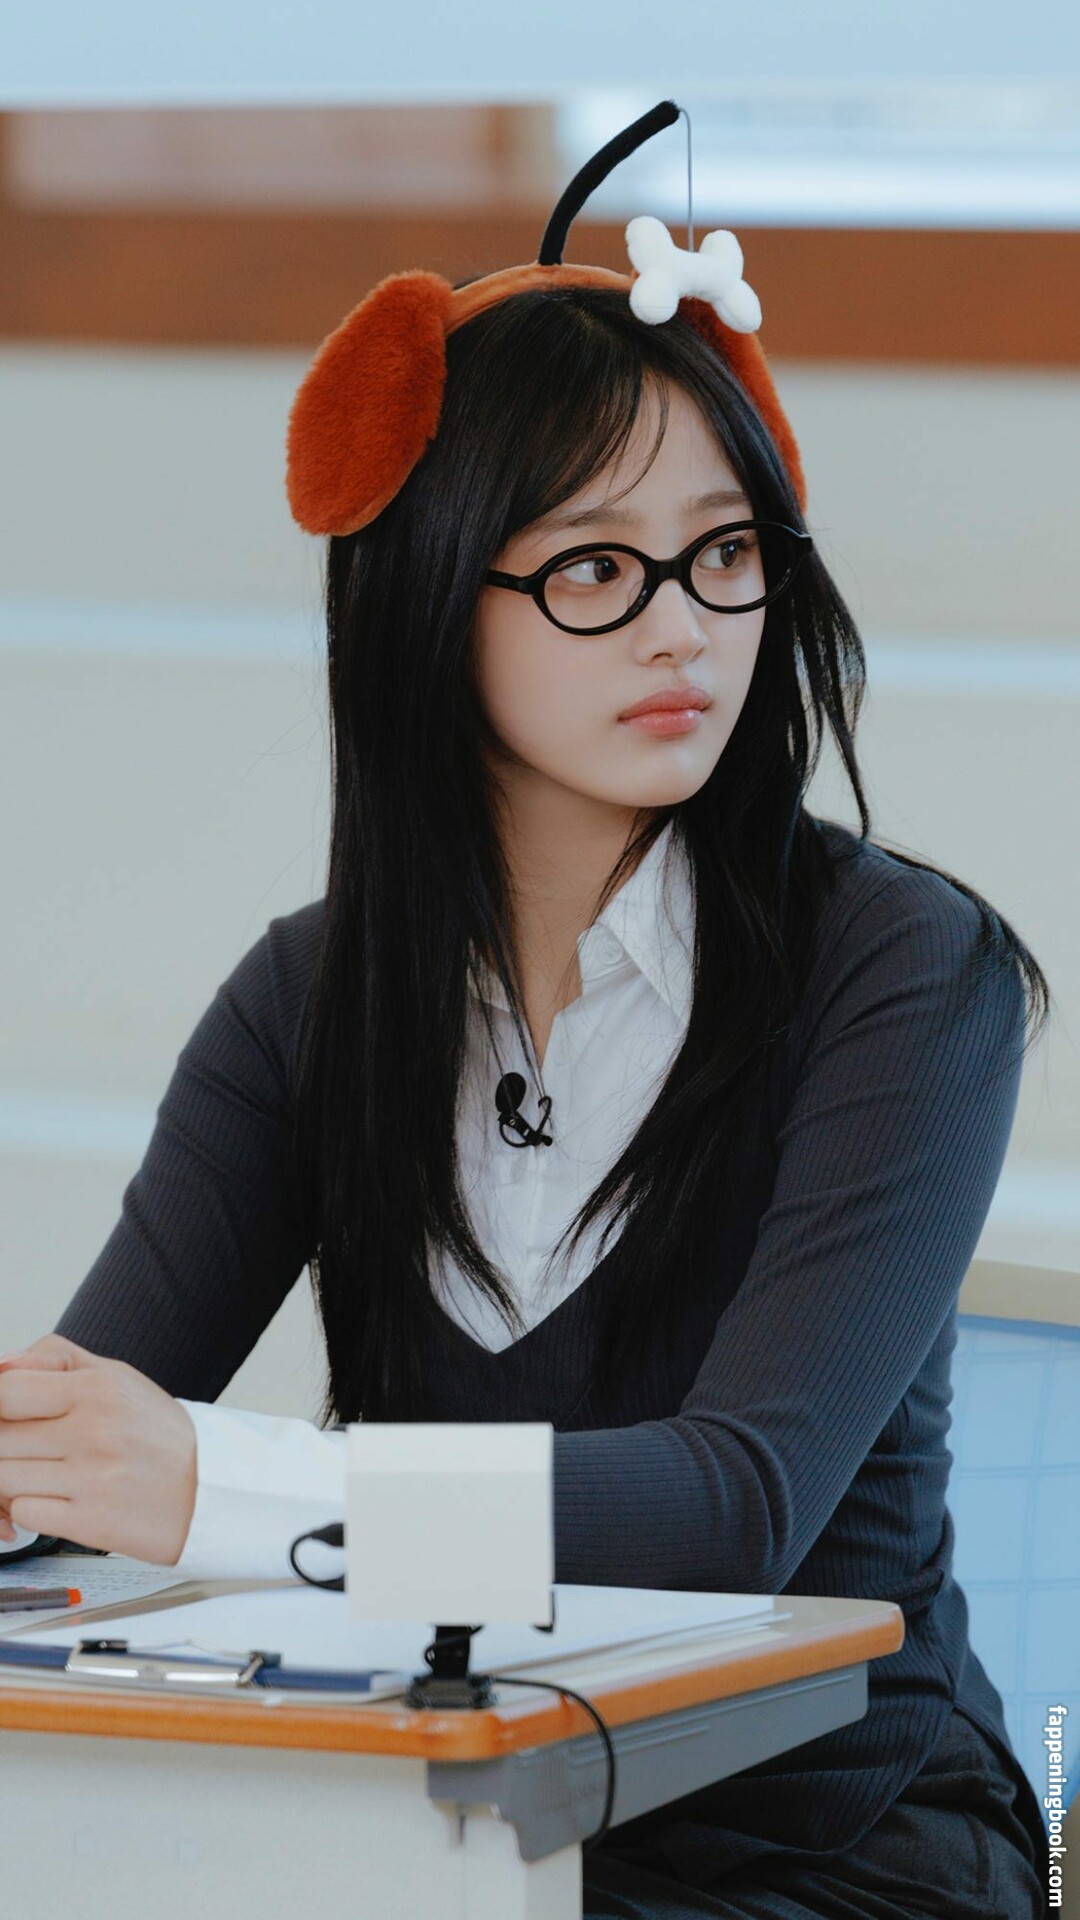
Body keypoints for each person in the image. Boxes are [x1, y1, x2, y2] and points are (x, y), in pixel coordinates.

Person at [0, 105, 1053, 1918]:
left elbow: (734, 1508)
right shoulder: (310, 999)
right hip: (443, 1838)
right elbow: (93, 1428)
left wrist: (223, 1486)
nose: (684, 628)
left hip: (832, 1856)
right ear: (430, 596)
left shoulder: (903, 973)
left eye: (726, 553)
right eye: (593, 568)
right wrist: (56, 1468)